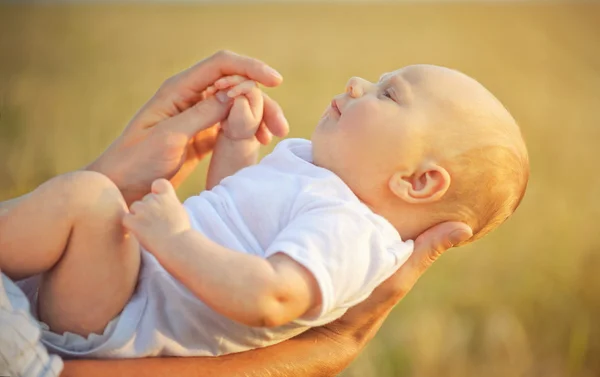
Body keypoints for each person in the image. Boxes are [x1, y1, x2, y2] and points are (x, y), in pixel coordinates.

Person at [0, 50, 473, 376]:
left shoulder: (353, 234)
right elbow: (231, 213)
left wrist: (176, 239)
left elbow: (269, 298)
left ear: (418, 181)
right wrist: (238, 141)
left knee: (92, 199)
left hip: (122, 320)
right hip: (124, 291)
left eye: (388, 94)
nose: (358, 84)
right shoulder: (315, 173)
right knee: (91, 201)